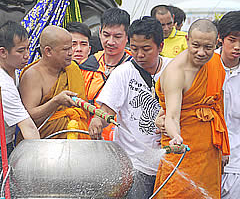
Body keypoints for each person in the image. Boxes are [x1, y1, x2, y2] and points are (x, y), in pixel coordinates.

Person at [88, 16, 172, 199]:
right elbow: (106, 111)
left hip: (169, 162)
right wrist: (97, 120)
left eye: (146, 49)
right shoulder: (122, 73)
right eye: (134, 49)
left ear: (161, 46)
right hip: (135, 164)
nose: (139, 54)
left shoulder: (173, 69)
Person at [153, 19, 230, 198]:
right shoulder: (176, 72)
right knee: (176, 192)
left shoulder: (216, 63)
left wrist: (224, 146)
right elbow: (171, 116)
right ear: (187, 40)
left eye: (208, 47)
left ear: (217, 42)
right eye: (196, 45)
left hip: (209, 148)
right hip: (182, 148)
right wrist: (176, 137)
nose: (201, 52)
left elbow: (218, 103)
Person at [18, 25, 90, 139]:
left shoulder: (72, 69)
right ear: (48, 51)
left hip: (75, 142)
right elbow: (26, 117)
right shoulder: (33, 75)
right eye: (66, 49)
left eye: (71, 48)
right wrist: (56, 101)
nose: (71, 53)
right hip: (43, 145)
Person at [79, 7, 132, 140]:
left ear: (128, 37)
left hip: (122, 141)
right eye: (106, 35)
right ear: (100, 32)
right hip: (88, 138)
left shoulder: (134, 68)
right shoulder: (88, 66)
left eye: (117, 36)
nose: (110, 42)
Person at [0, 21, 40, 167]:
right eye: (20, 51)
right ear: (3, 52)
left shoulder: (15, 72)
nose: (27, 55)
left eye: (28, 49)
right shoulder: (3, 85)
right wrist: (39, 161)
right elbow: (27, 127)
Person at [218, 11, 240, 199]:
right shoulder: (203, 66)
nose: (237, 47)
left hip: (236, 163)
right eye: (232, 39)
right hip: (205, 159)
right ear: (220, 38)